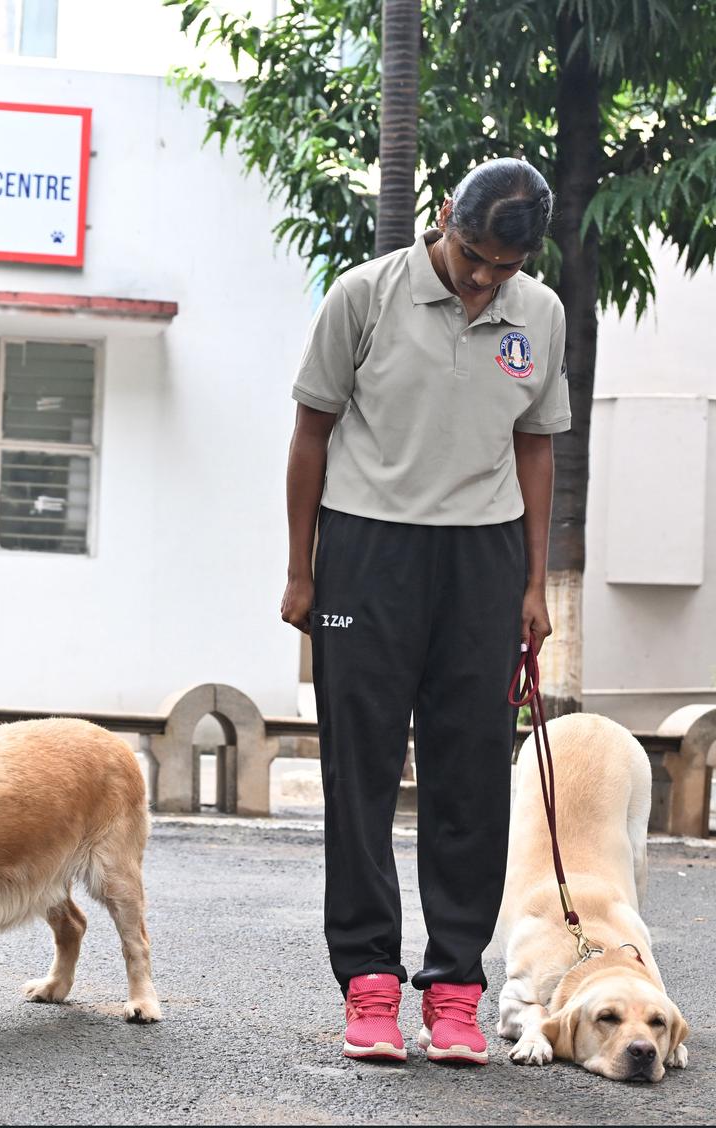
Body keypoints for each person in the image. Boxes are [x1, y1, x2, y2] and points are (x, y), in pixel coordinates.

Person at [280, 158, 570, 1065]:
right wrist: (302, 569)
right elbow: (310, 434)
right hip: (368, 549)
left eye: (504, 269)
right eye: (475, 255)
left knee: (471, 777)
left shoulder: (543, 315)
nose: (485, 279)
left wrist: (532, 585)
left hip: (482, 558)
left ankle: (453, 990)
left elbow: (535, 451)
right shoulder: (364, 297)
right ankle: (368, 984)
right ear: (446, 217)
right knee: (359, 773)